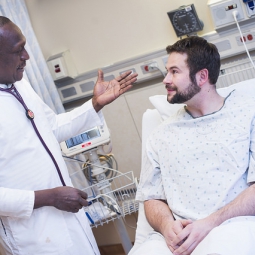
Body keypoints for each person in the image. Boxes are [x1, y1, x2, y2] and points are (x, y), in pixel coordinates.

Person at [0, 16, 138, 255]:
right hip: (35, 234)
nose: (27, 57)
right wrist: (49, 197)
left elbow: (51, 127)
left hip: (70, 218)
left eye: (25, 47)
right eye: (17, 50)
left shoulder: (20, 84)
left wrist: (94, 104)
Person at [132, 36, 255, 255]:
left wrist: (209, 223)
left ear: (202, 76)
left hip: (232, 226)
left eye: (174, 71)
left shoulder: (248, 116)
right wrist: (167, 227)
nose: (165, 79)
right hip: (176, 238)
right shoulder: (161, 135)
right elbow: (152, 197)